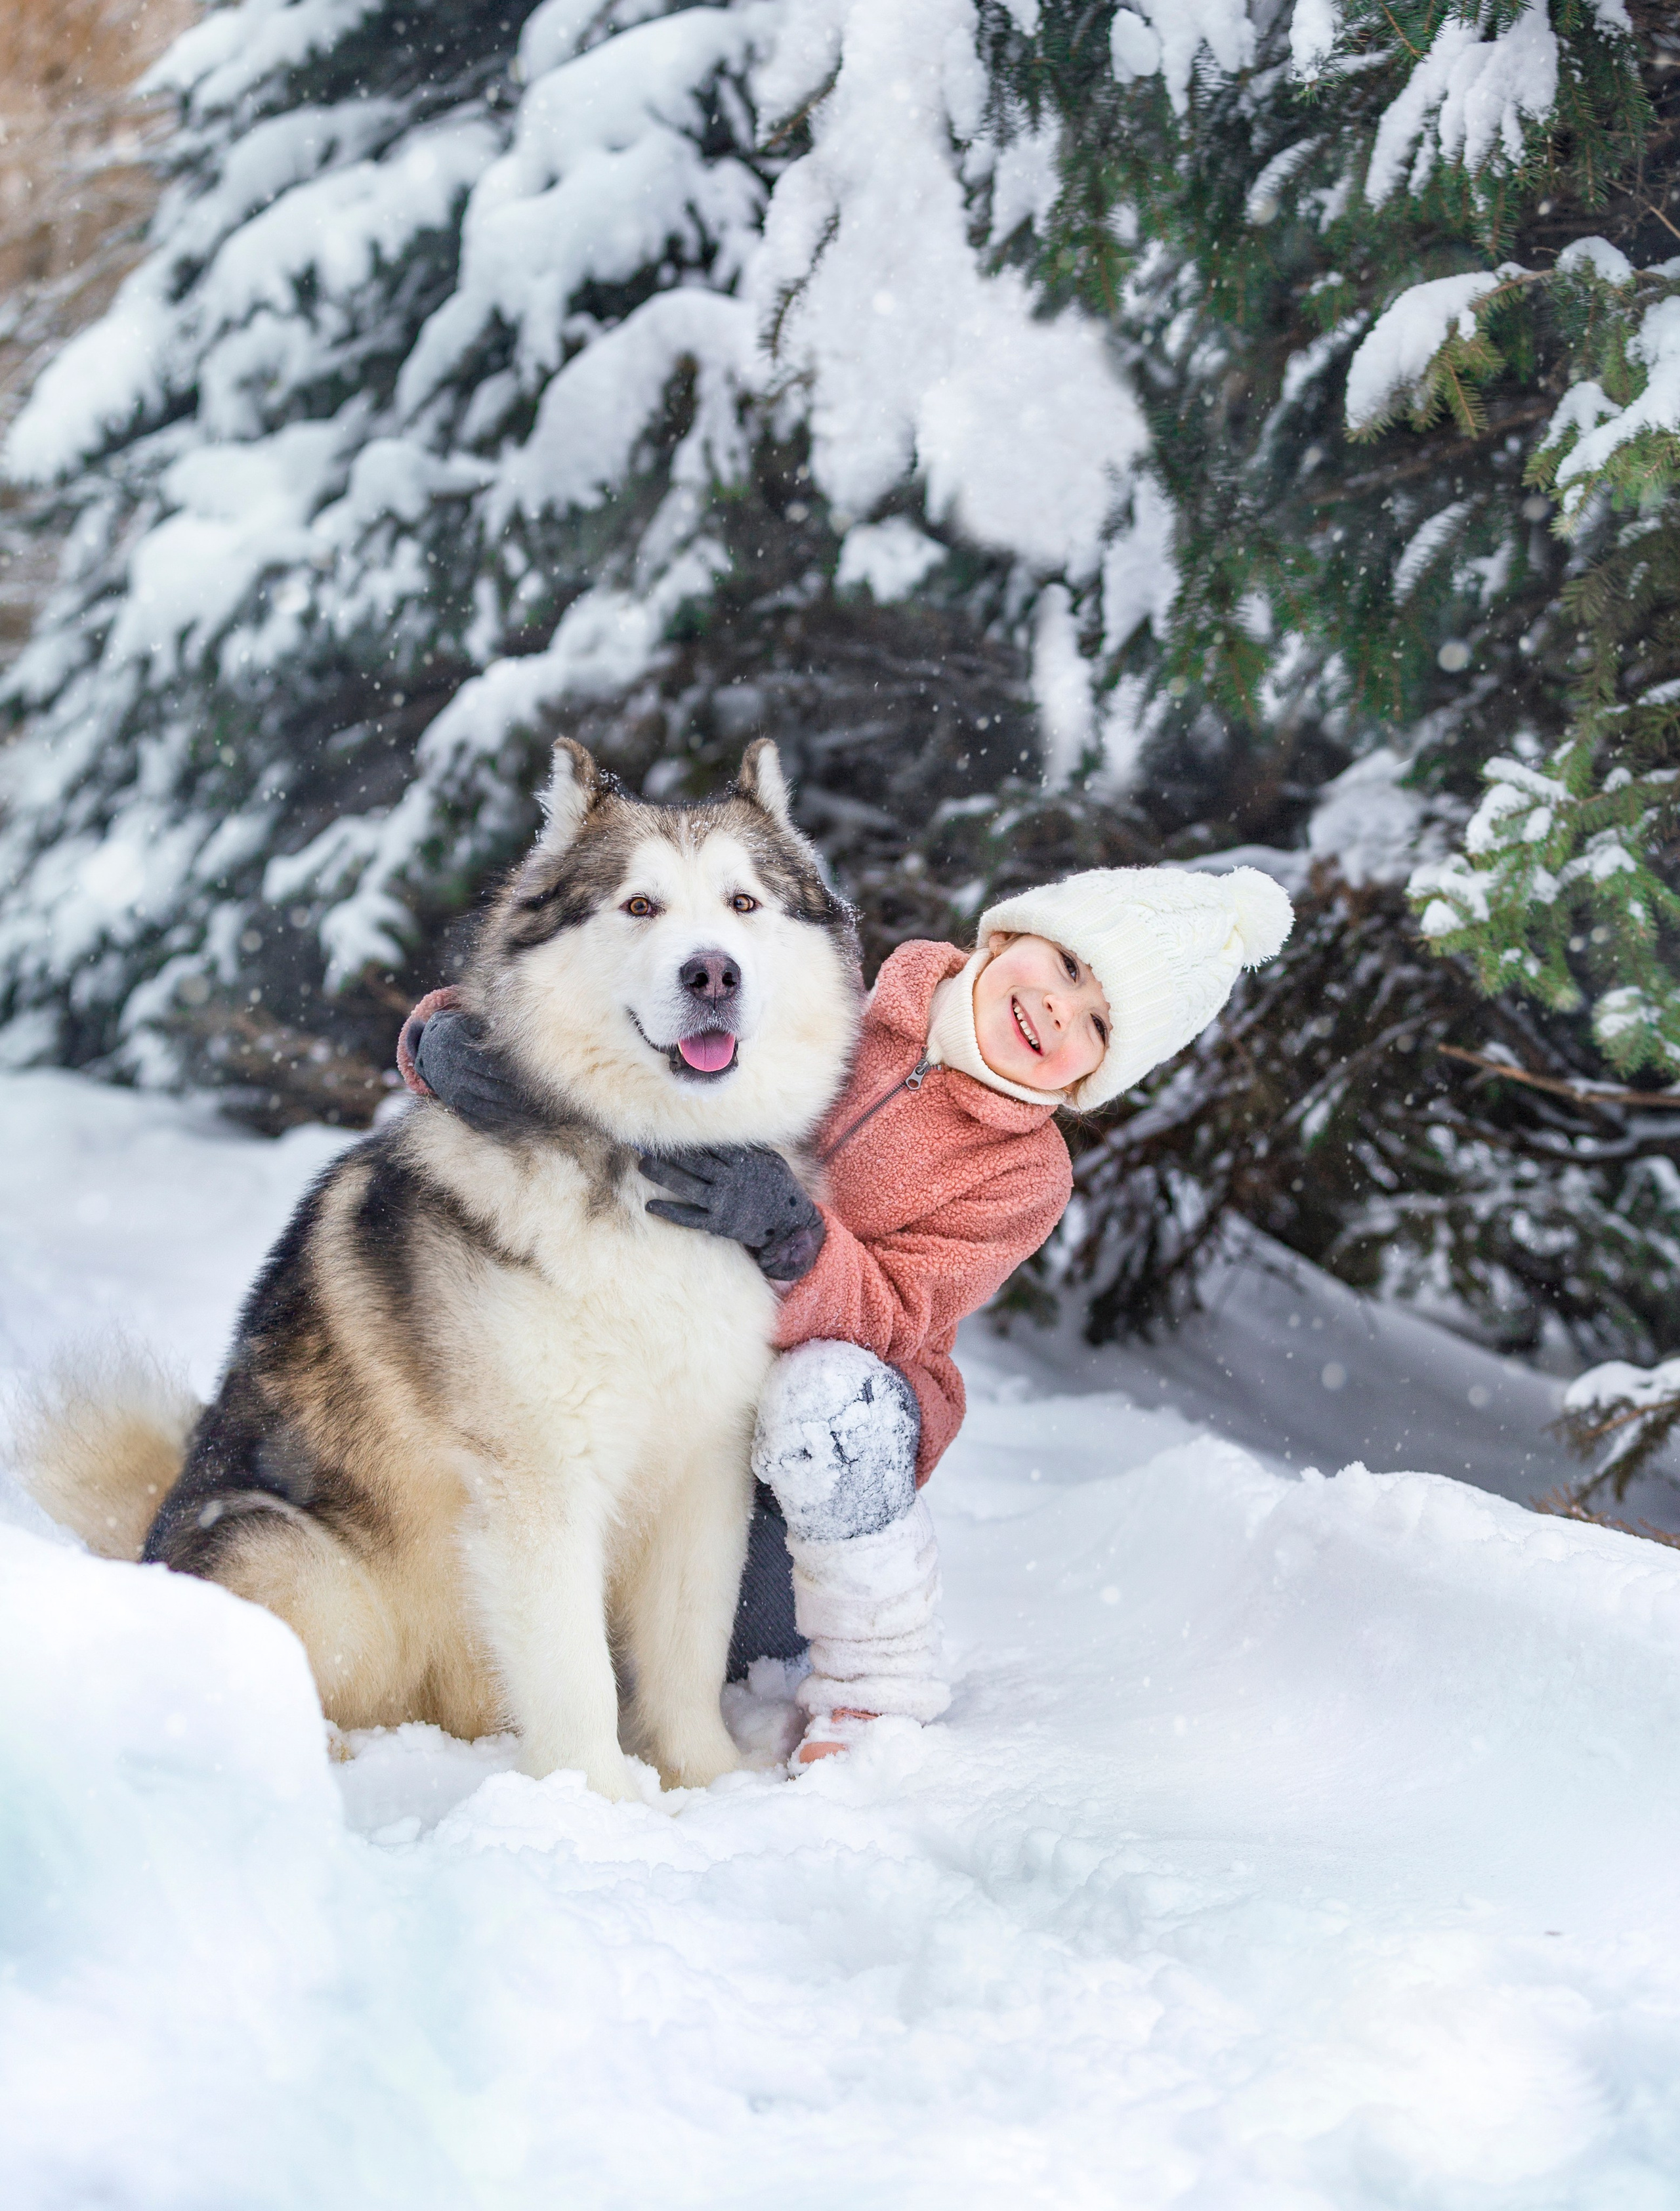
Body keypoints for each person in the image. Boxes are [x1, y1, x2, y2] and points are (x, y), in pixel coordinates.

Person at [400, 864, 1292, 1765]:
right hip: (682, 1374)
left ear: (1099, 1074)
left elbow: (898, 1313)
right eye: (1067, 964)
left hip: (811, 1452)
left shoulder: (1024, 1175)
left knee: (816, 1415)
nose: (1063, 1010)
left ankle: (876, 1685)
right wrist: (452, 1039)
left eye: (1100, 1024)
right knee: (556, 1522)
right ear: (1005, 935)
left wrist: (792, 1234)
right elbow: (637, 1004)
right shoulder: (833, 997)